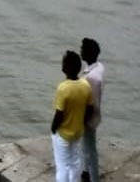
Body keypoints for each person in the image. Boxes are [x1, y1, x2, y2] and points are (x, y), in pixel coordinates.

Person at [51, 50, 94, 182]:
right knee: (75, 162)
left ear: (68, 68)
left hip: (63, 133)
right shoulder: (86, 86)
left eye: (64, 63)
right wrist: (82, 123)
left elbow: (59, 114)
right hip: (77, 132)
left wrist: (53, 128)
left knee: (62, 165)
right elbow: (90, 109)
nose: (62, 65)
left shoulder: (63, 88)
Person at [81, 38, 104, 182]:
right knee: (86, 146)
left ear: (88, 53)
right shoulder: (98, 67)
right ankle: (86, 171)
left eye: (83, 49)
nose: (80, 51)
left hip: (89, 118)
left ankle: (94, 178)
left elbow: (91, 104)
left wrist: (83, 121)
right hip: (93, 116)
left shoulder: (92, 78)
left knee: (90, 150)